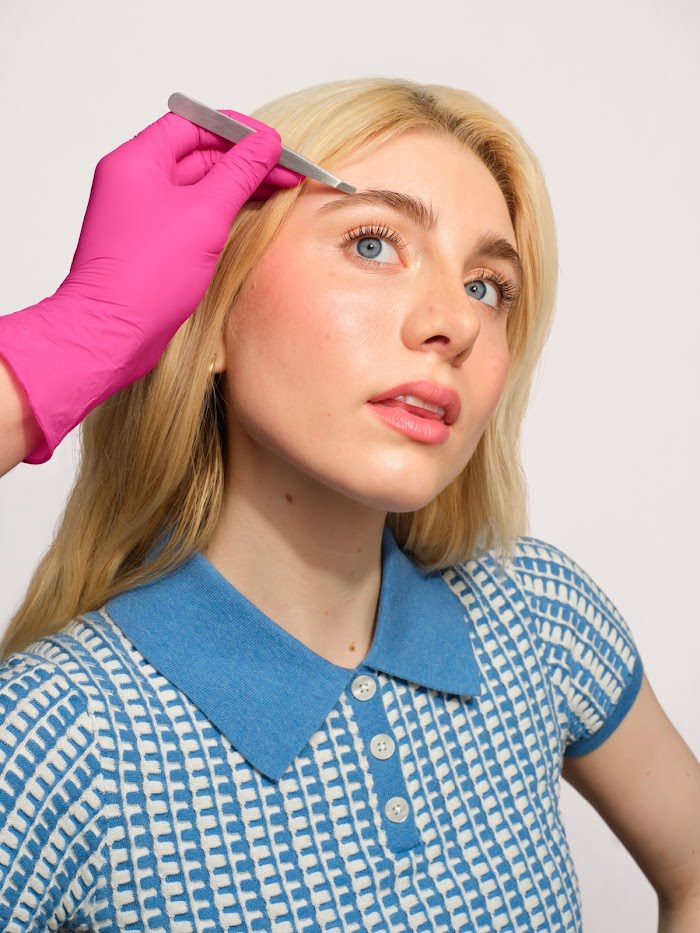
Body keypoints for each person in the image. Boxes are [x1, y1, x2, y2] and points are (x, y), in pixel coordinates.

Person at [1, 77, 698, 932]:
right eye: (373, 243)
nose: (455, 322)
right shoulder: (55, 736)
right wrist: (64, 347)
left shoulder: (539, 617)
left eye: (488, 286)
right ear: (209, 311)